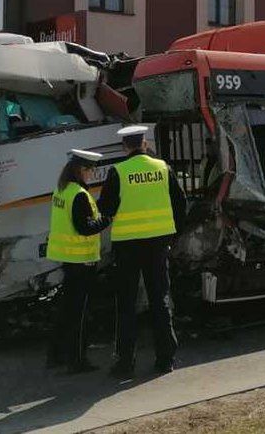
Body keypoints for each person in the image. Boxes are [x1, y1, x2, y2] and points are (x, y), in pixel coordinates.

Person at [99, 125, 186, 379]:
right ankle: (166, 358)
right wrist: (173, 234)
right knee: (160, 299)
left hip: (127, 246)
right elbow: (180, 203)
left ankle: (125, 363)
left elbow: (106, 209)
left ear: (125, 146)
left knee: (126, 304)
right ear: (145, 143)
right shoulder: (163, 168)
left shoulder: (118, 172)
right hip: (158, 244)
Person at [45, 149, 111, 374]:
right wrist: (106, 221)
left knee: (66, 310)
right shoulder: (79, 195)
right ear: (80, 170)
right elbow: (85, 227)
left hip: (68, 259)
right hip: (82, 261)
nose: (92, 174)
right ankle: (78, 360)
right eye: (90, 170)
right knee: (81, 313)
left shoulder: (62, 190)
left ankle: (56, 355)